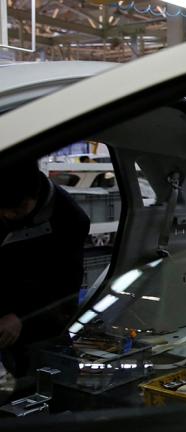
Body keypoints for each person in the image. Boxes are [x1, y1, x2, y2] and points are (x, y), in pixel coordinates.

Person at [0, 160, 90, 382]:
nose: (6, 216)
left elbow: (65, 288)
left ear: (35, 195)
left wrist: (20, 317)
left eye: (16, 210)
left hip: (41, 323)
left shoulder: (70, 219)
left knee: (55, 389)